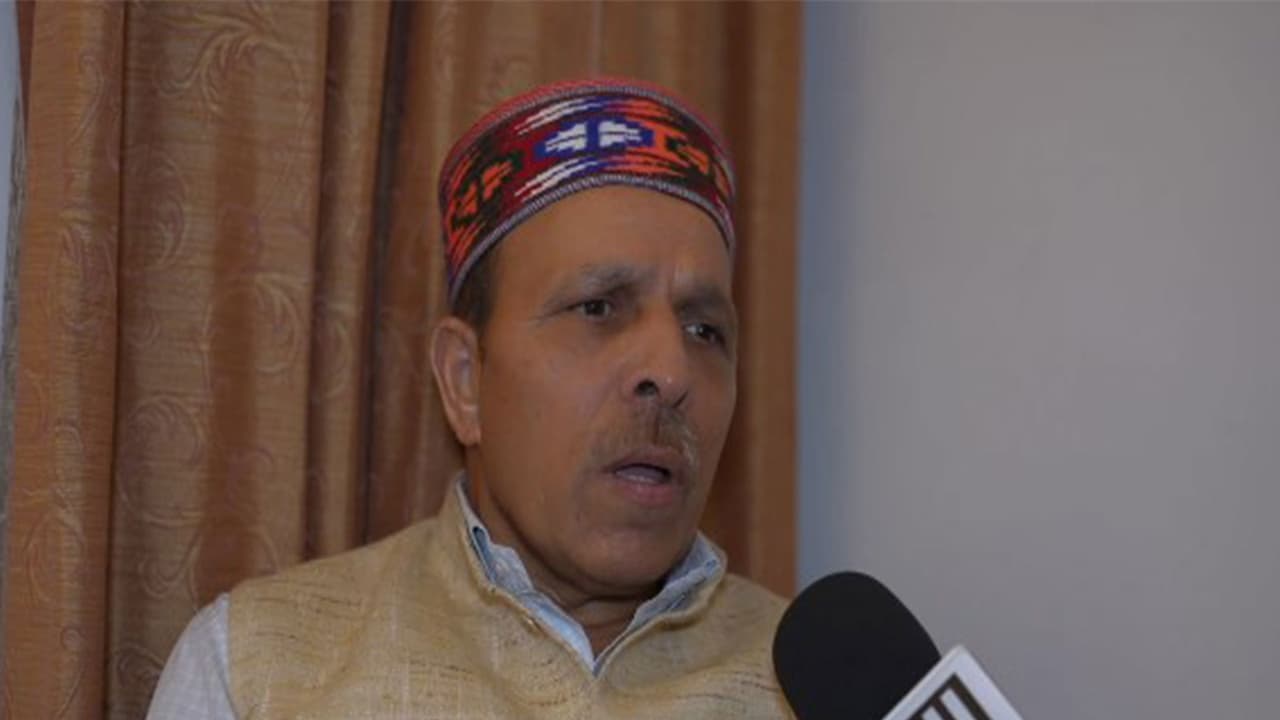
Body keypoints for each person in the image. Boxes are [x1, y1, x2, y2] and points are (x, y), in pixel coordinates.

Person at [147, 77, 791, 719]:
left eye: (705, 331)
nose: (671, 371)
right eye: (598, 308)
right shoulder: (257, 669)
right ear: (464, 381)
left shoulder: (807, 683)